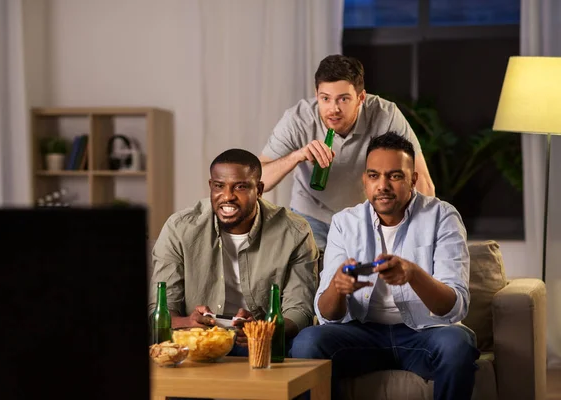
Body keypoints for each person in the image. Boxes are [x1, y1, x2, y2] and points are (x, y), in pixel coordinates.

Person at [291, 133, 479, 400]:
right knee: (307, 342)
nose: (383, 185)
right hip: (361, 335)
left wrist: (413, 274)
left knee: (457, 345)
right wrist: (338, 287)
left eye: (395, 176)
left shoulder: (442, 216)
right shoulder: (346, 222)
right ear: (364, 180)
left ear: (413, 179)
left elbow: (453, 307)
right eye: (374, 175)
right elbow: (327, 314)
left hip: (424, 335)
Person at [259, 54, 435, 254]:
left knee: (365, 281)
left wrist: (422, 240)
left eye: (343, 99)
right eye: (325, 98)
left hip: (363, 215)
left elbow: (423, 182)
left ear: (361, 98)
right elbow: (258, 179)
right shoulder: (297, 119)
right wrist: (296, 156)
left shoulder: (385, 115)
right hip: (310, 214)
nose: (333, 109)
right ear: (316, 94)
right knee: (308, 281)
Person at [149, 148, 318, 356]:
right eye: (219, 186)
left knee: (302, 344)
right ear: (211, 186)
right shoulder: (180, 228)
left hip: (261, 342)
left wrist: (261, 330)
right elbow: (160, 307)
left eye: (240, 187)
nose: (227, 196)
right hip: (197, 341)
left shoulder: (295, 231)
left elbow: (300, 310)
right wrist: (187, 322)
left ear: (259, 189)